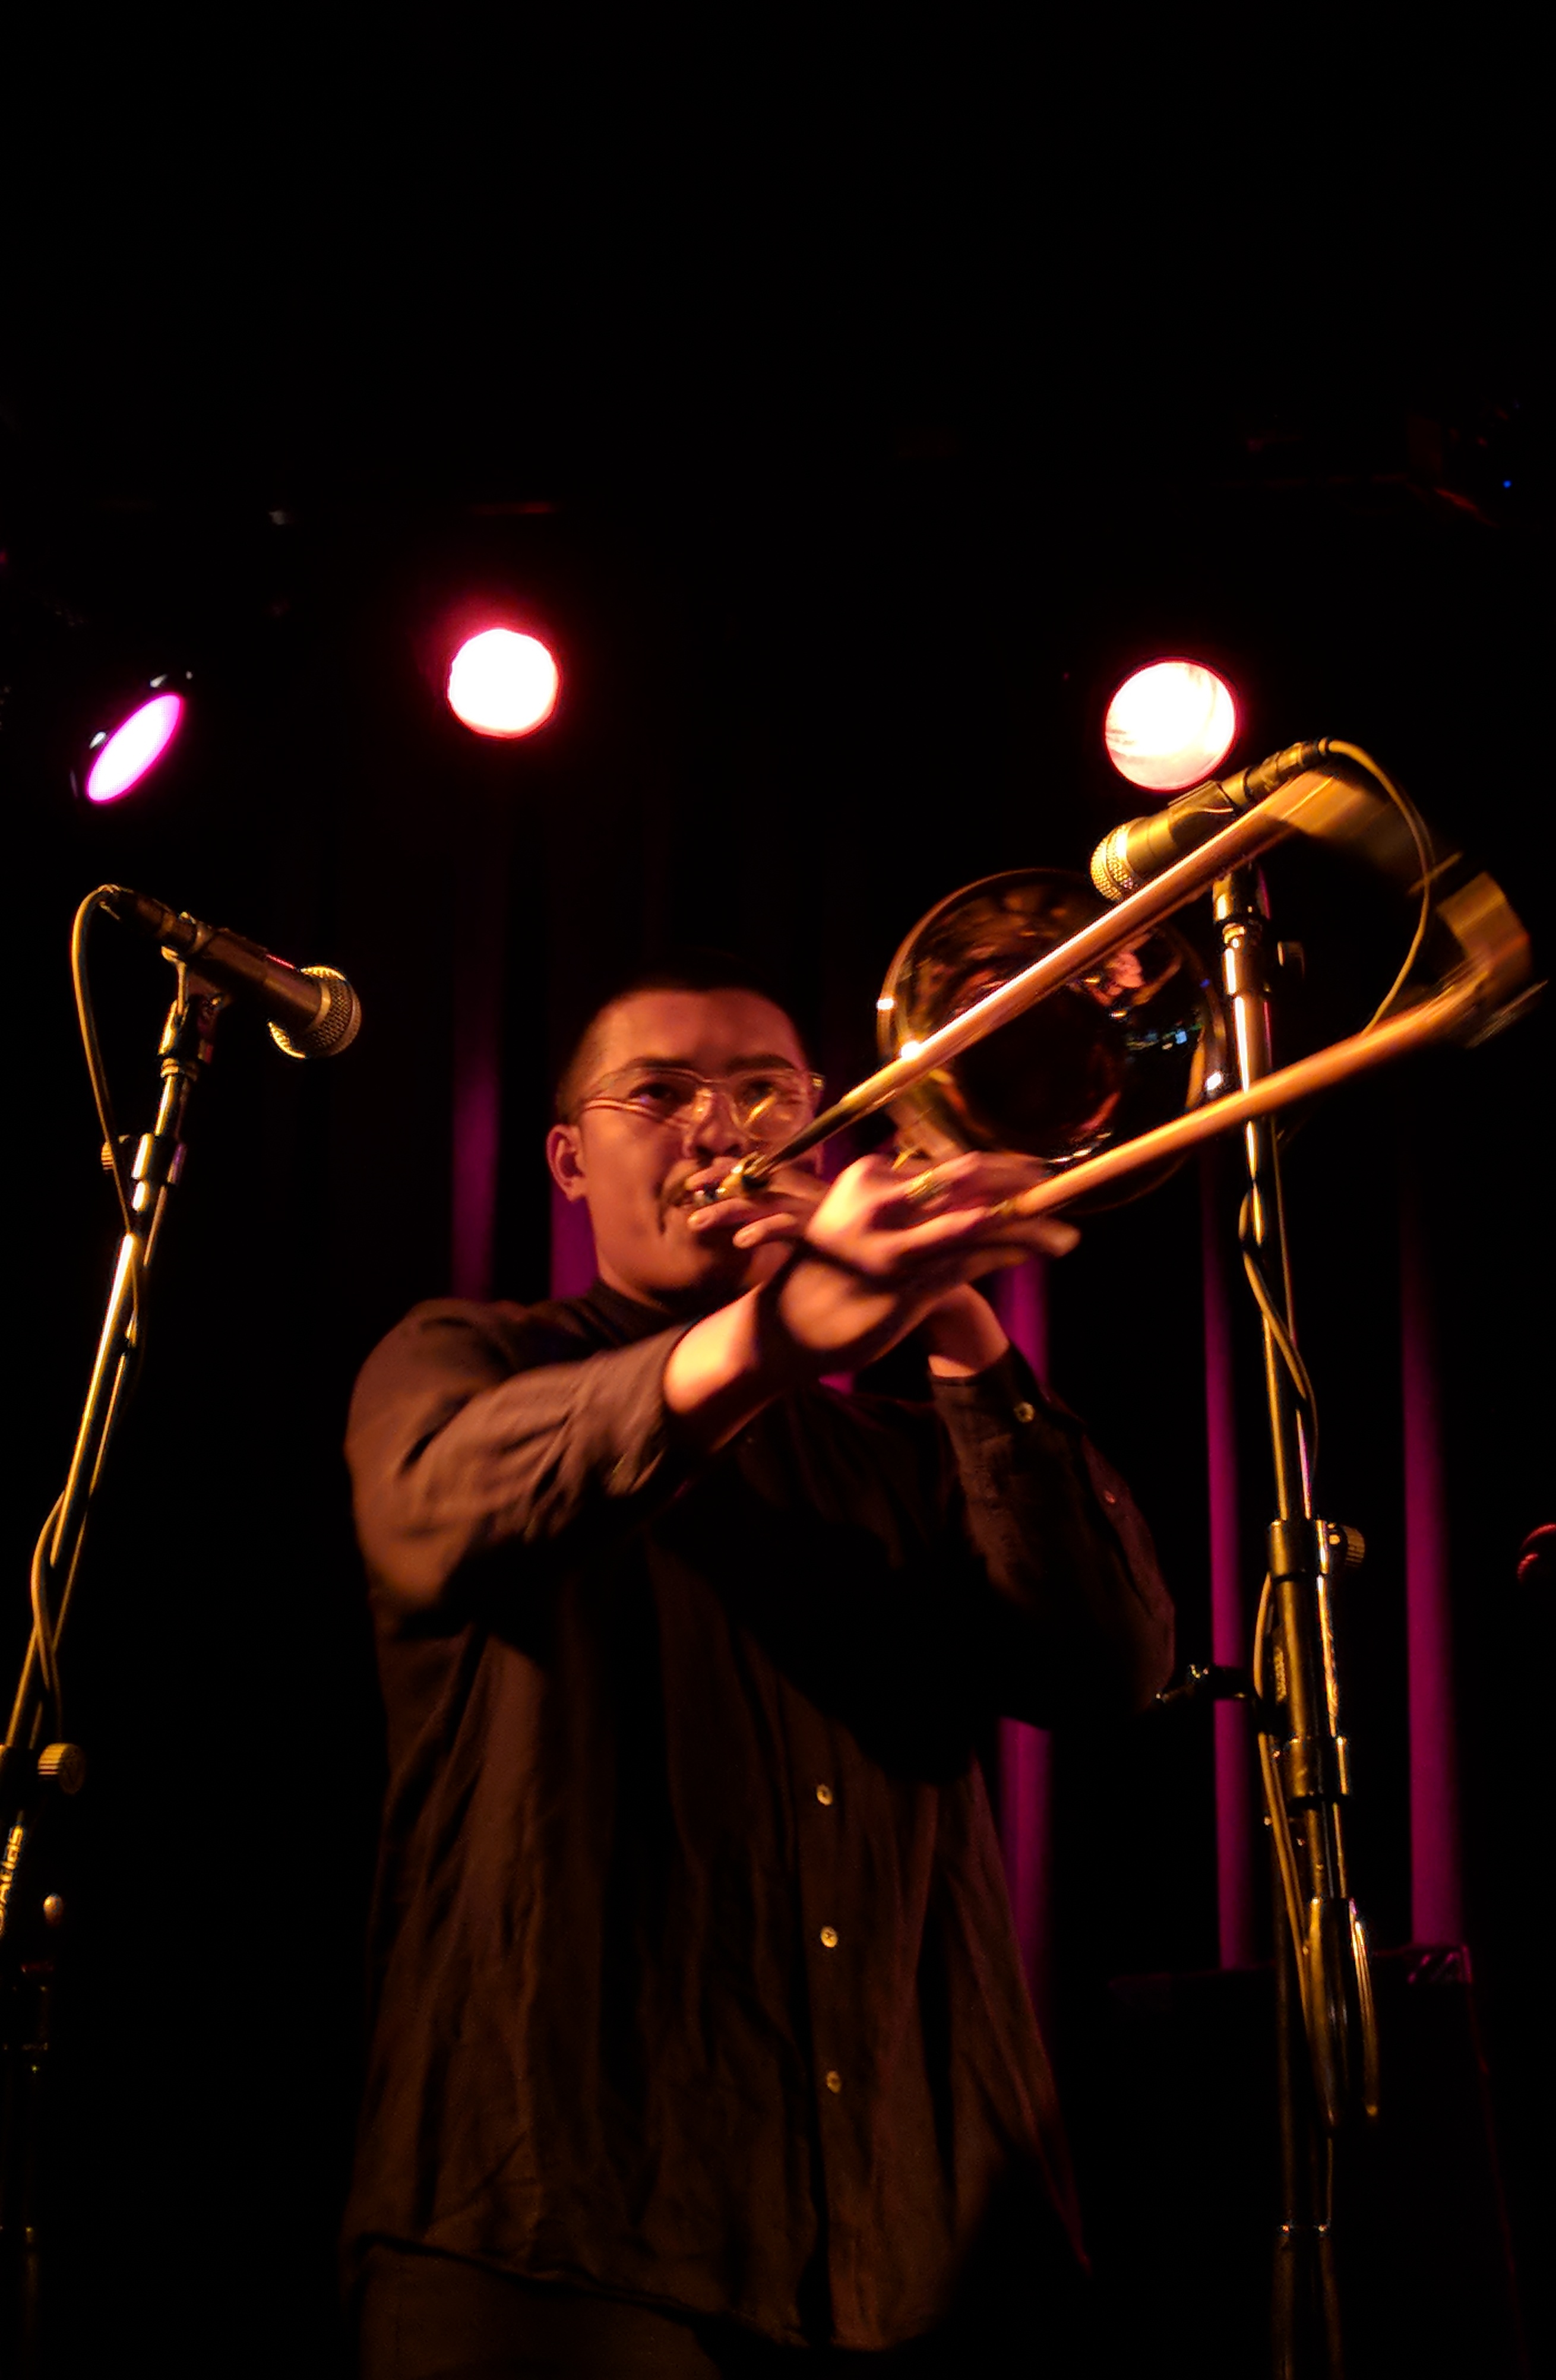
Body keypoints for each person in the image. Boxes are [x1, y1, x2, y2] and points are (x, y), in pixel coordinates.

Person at [341, 954, 1174, 2379]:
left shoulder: (907, 1453)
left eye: (766, 1094)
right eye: (662, 1095)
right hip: (555, 2228)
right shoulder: (466, 1356)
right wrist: (777, 1337)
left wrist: (961, 1320)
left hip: (914, 2247)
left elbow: (1110, 1667)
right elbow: (443, 1508)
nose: (723, 1130)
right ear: (568, 1162)